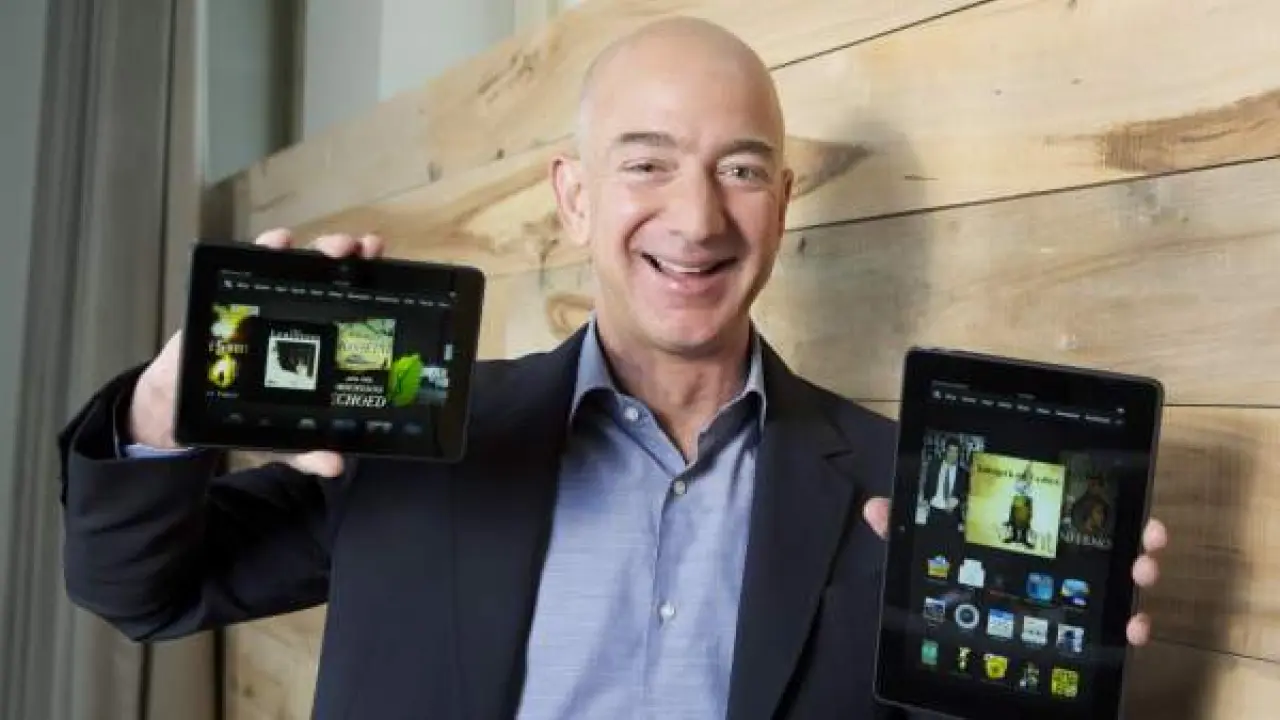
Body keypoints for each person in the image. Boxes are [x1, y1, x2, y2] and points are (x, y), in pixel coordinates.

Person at [57, 17, 1168, 720]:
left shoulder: (895, 491)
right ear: (575, 196)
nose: (696, 217)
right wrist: (165, 403)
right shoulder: (418, 439)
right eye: (647, 164)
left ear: (782, 204)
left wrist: (1023, 670)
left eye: (741, 170)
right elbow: (140, 590)